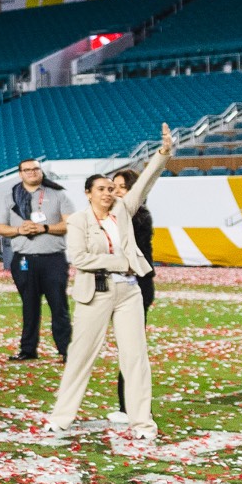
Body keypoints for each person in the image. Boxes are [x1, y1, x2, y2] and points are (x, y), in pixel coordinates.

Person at [44, 125, 173, 441]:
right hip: (95, 293)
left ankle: (142, 423)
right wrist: (121, 262)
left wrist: (162, 153)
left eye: (111, 188)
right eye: (101, 188)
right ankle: (61, 418)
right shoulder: (78, 221)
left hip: (129, 291)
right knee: (80, 357)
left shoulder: (124, 212)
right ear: (88, 193)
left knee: (136, 358)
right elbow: (81, 258)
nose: (108, 192)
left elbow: (145, 182)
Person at [0, 158, 73, 363]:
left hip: (53, 259)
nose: (31, 173)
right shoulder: (10, 197)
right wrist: (19, 230)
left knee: (59, 306)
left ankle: (66, 350)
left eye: (35, 169)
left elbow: (70, 224)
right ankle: (28, 350)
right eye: (26, 170)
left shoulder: (57, 194)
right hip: (24, 259)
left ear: (41, 172)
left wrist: (44, 228)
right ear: (20, 174)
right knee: (29, 306)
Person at [108, 164, 160, 427]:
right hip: (116, 287)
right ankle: (127, 405)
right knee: (126, 348)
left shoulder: (137, 217)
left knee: (133, 349)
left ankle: (134, 407)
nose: (115, 191)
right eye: (113, 186)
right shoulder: (111, 216)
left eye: (122, 187)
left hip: (136, 286)